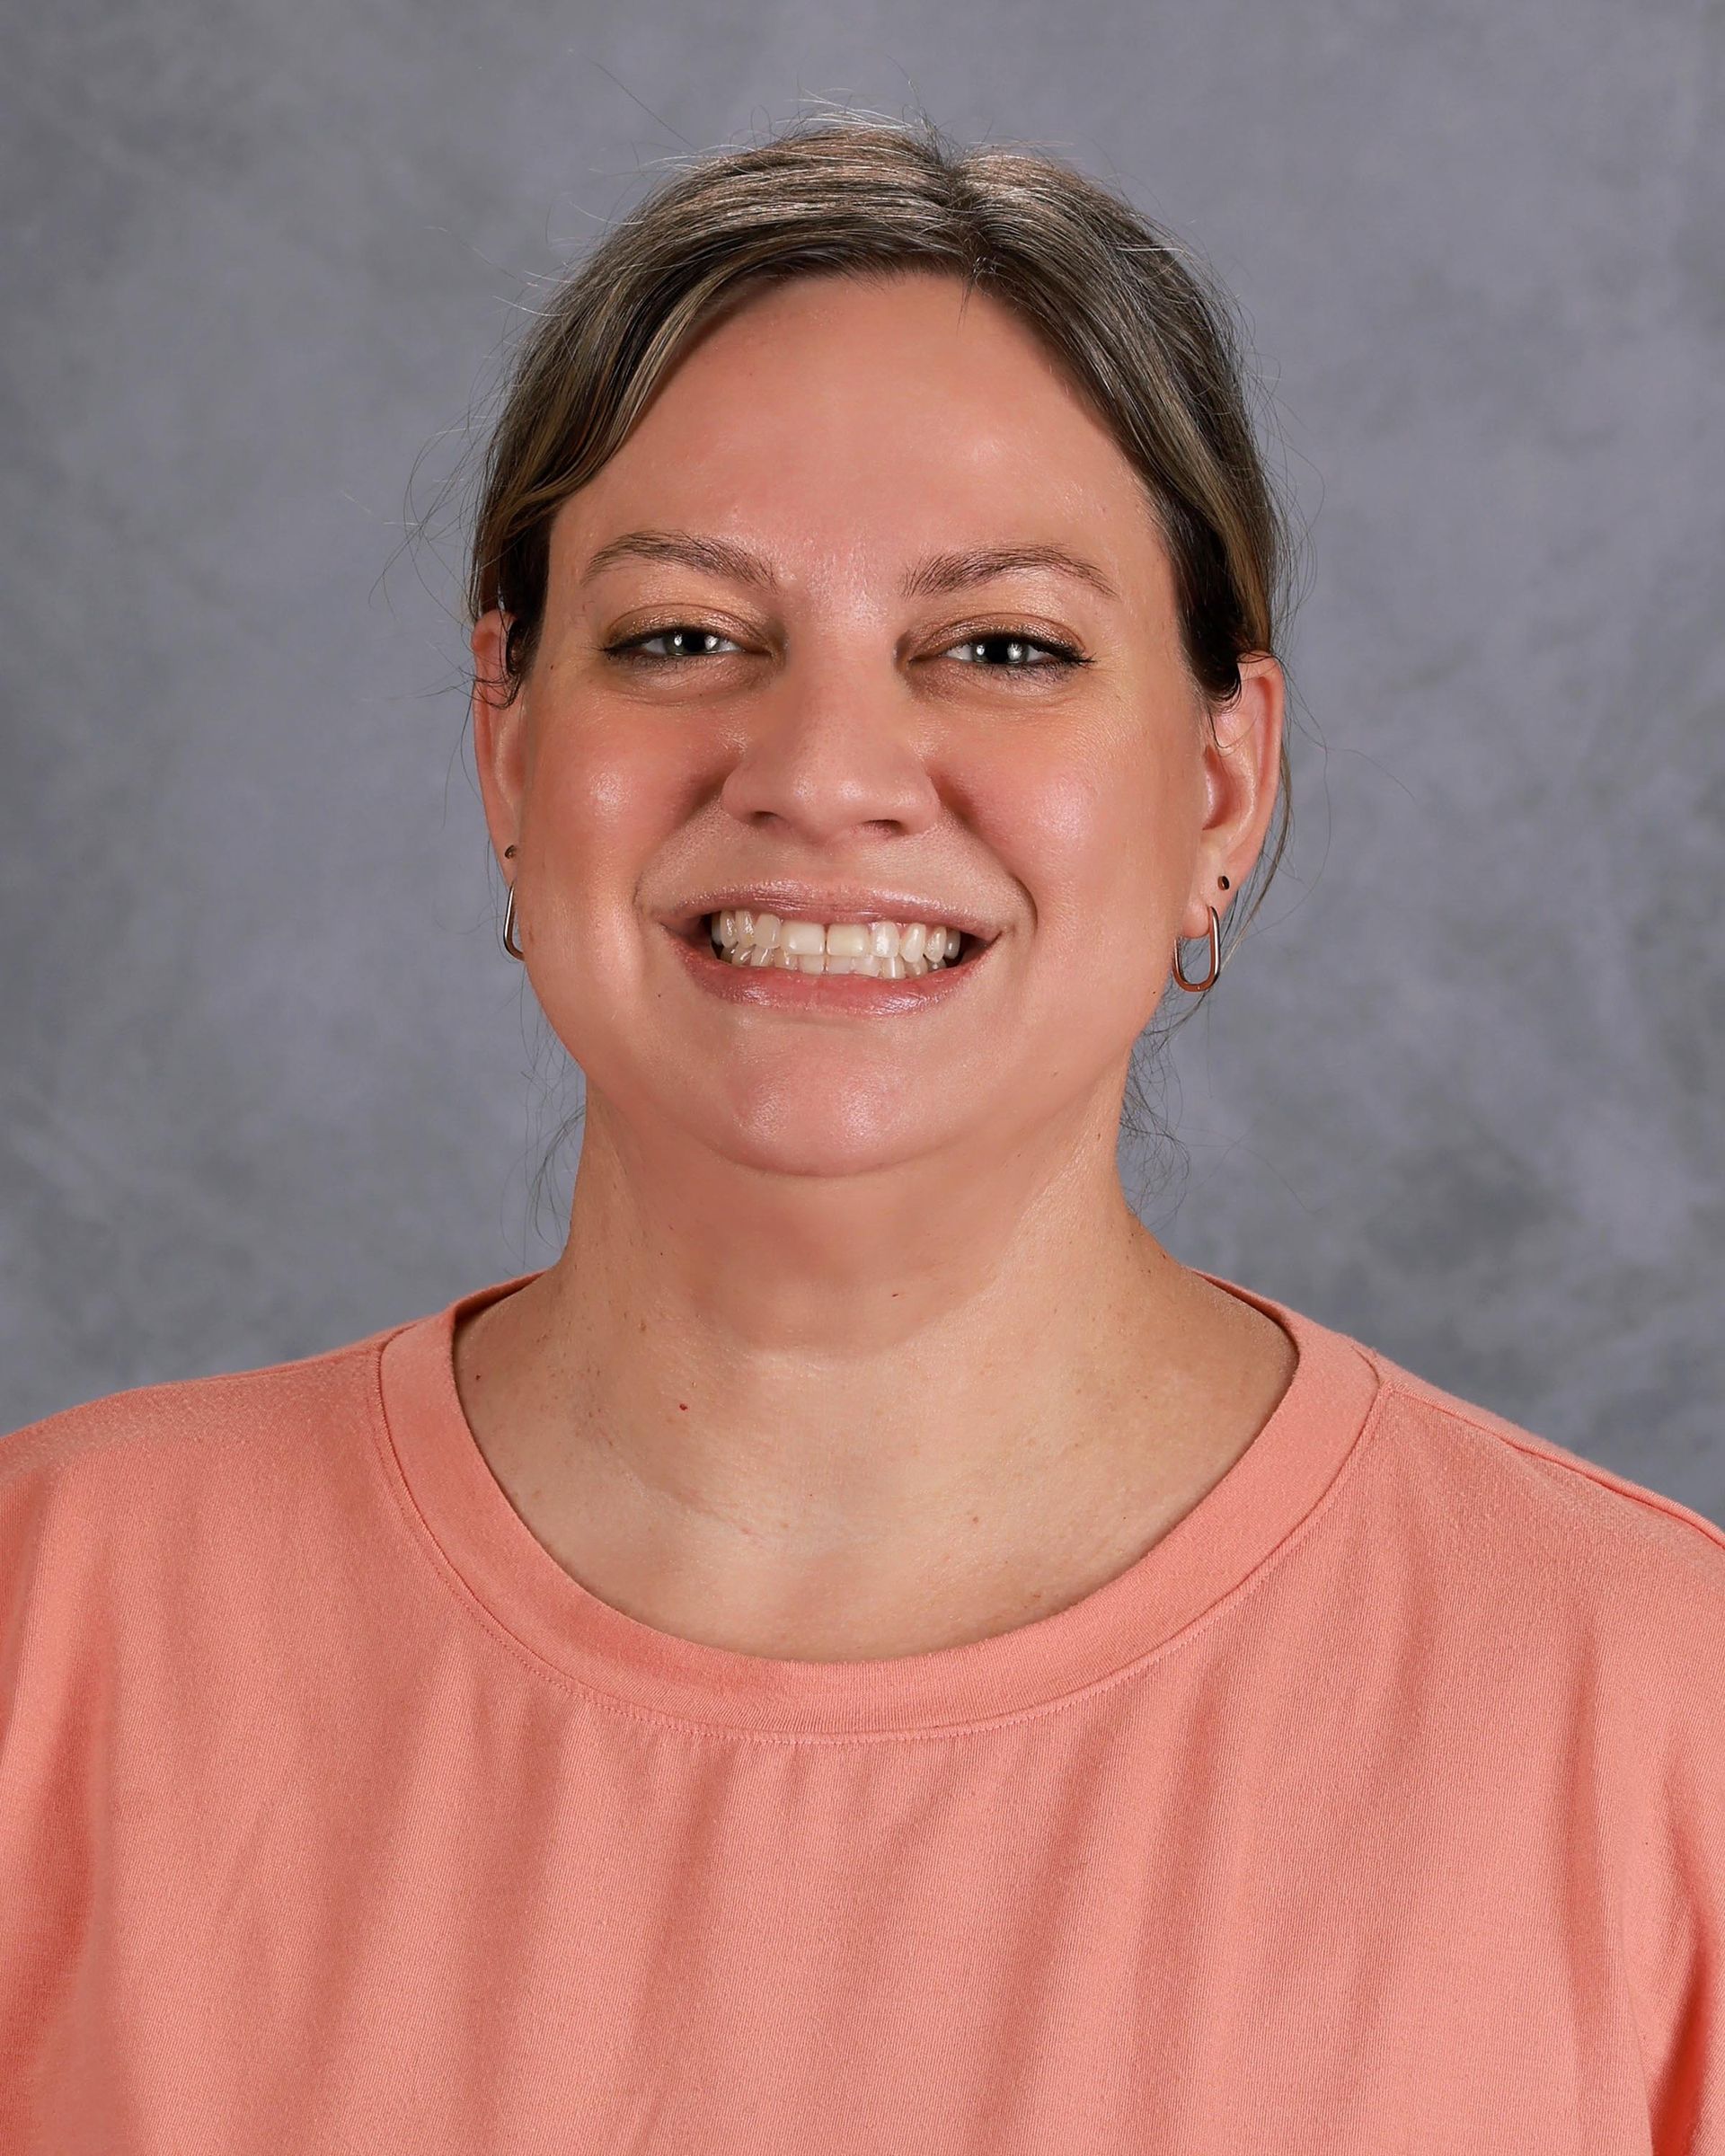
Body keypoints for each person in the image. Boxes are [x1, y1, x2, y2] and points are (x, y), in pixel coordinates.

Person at [3, 109, 1720, 2154]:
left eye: (1001, 645)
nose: (825, 771)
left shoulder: (1659, 1721)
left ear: (1224, 783)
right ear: (509, 741)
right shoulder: (55, 1628)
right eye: (681, 637)